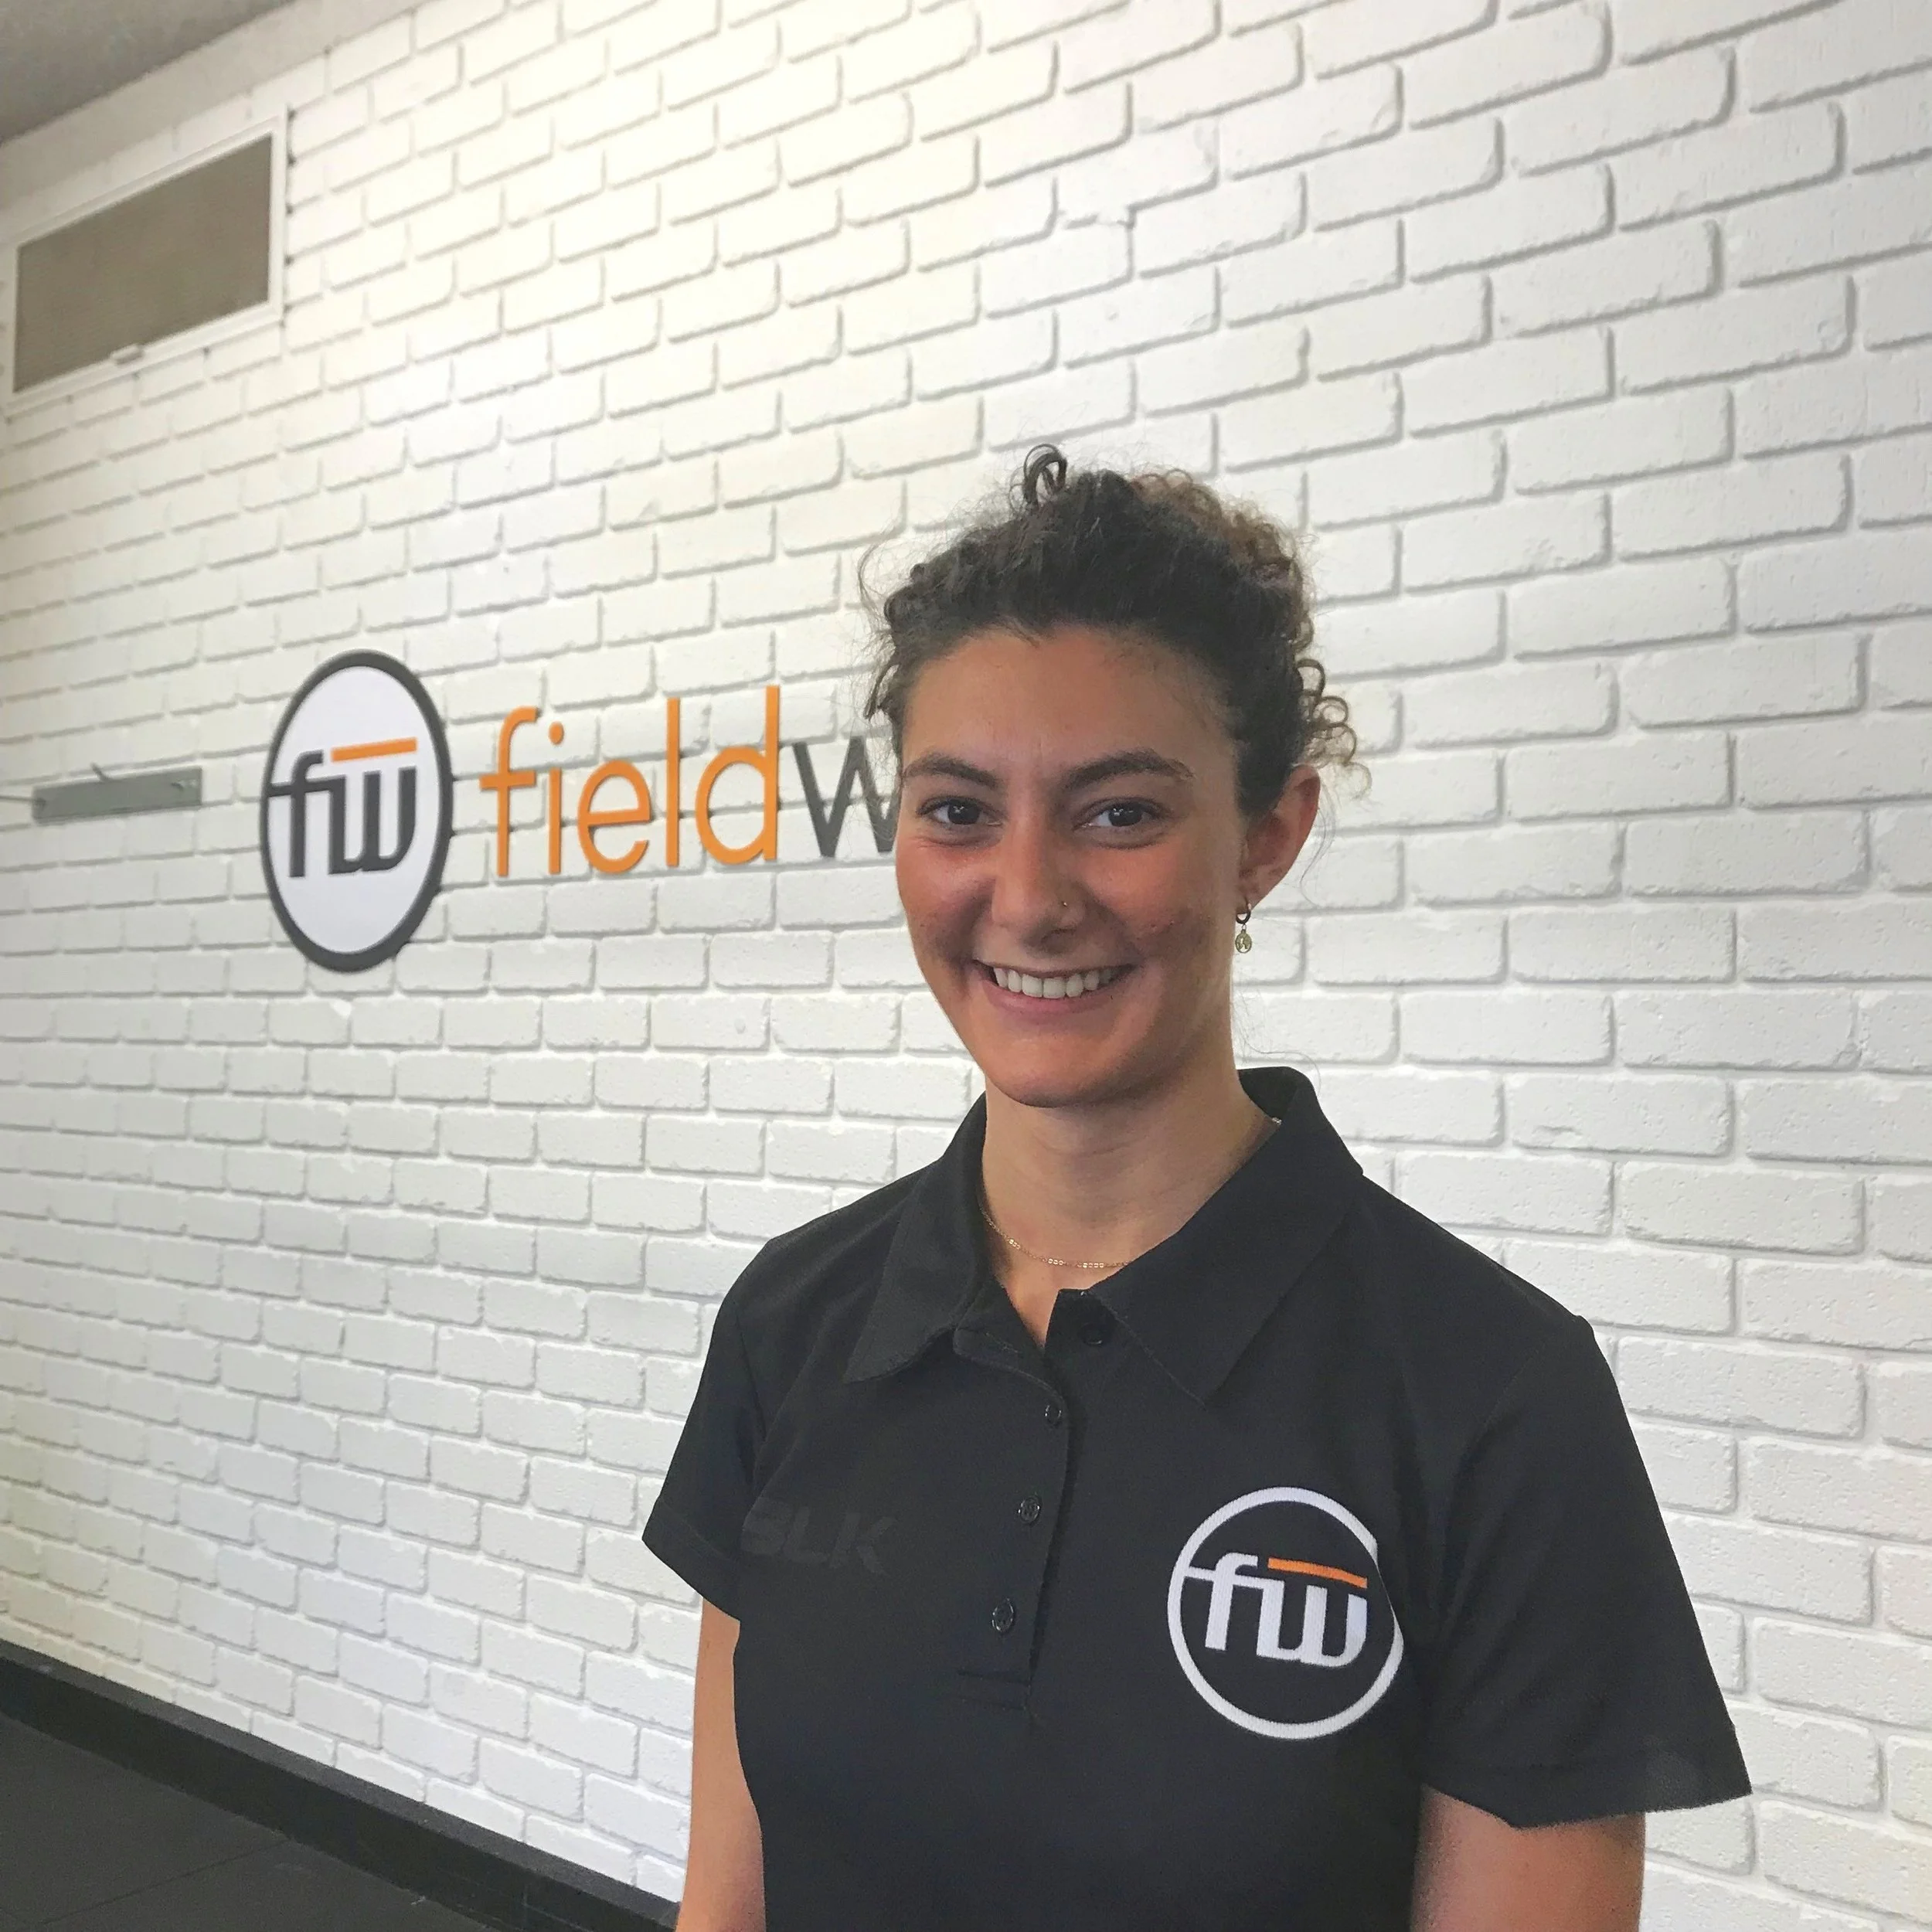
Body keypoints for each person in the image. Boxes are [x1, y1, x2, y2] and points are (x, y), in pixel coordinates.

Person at [642, 446, 1750, 1931]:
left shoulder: (1491, 1399)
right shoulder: (795, 1320)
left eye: (1118, 814)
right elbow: (729, 1904)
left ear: (1267, 839)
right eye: (958, 810)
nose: (1028, 897)